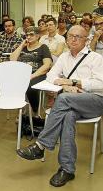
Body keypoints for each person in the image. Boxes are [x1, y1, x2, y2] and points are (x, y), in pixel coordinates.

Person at [16, 25, 103, 187]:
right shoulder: (64, 57)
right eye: (71, 36)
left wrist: (75, 82)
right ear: (67, 38)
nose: (73, 39)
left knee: (62, 100)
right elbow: (50, 76)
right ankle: (67, 169)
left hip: (95, 101)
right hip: (72, 101)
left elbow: (101, 84)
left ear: (86, 40)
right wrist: (64, 86)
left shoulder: (96, 58)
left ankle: (41, 145)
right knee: (68, 115)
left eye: (78, 37)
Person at [10, 27, 52, 115]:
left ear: (38, 36)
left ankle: (35, 110)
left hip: (38, 74)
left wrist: (32, 76)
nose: (28, 37)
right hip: (22, 74)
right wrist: (21, 45)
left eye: (31, 34)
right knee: (12, 84)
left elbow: (47, 65)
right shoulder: (23, 48)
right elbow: (12, 59)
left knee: (29, 86)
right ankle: (21, 109)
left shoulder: (43, 47)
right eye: (27, 35)